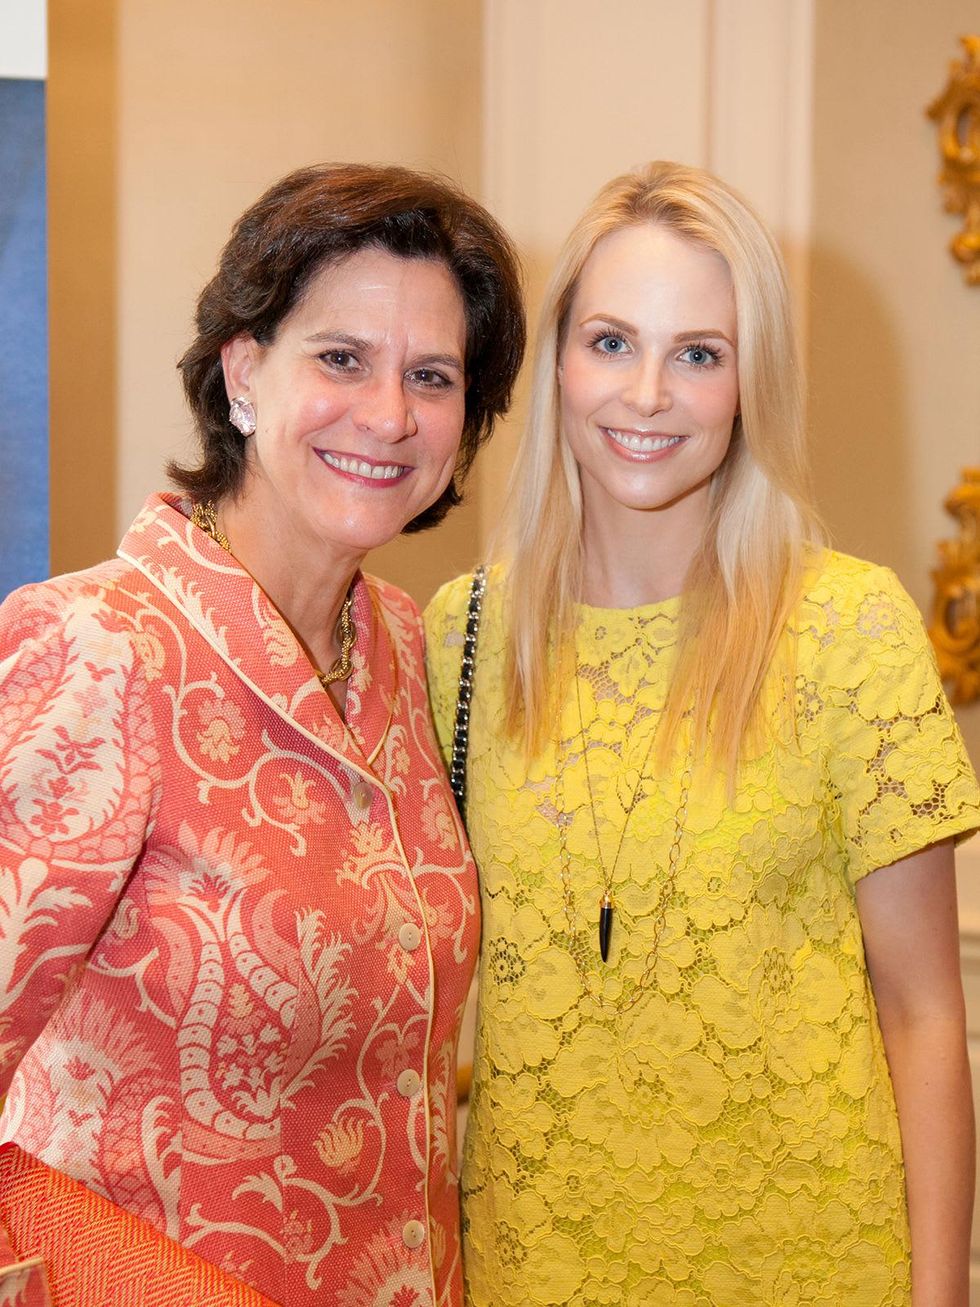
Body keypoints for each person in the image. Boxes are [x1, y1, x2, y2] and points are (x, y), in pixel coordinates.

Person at [424, 161, 980, 1306]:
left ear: (747, 382)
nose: (645, 395)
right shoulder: (462, 637)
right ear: (558, 361)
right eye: (612, 342)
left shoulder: (847, 629)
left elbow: (924, 1015)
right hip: (533, 1271)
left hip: (813, 1268)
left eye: (698, 353)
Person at [0, 162, 524, 1306]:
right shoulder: (101, 648)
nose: (388, 413)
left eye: (429, 376)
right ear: (243, 372)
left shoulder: (408, 648)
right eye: (341, 358)